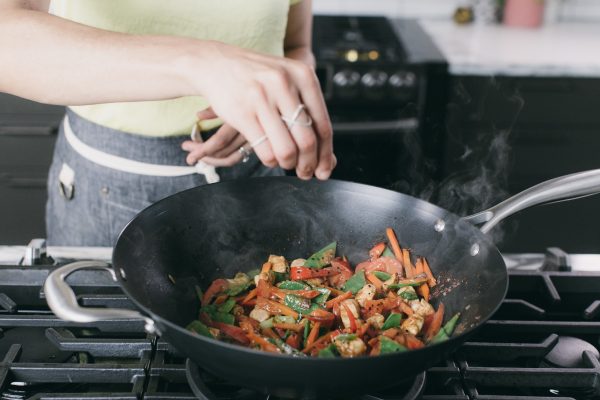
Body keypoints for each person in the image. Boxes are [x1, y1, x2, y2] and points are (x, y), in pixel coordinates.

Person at [0, 0, 335, 246]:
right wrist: (201, 64)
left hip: (256, 173)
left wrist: (266, 106)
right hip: (107, 188)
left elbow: (296, 45)